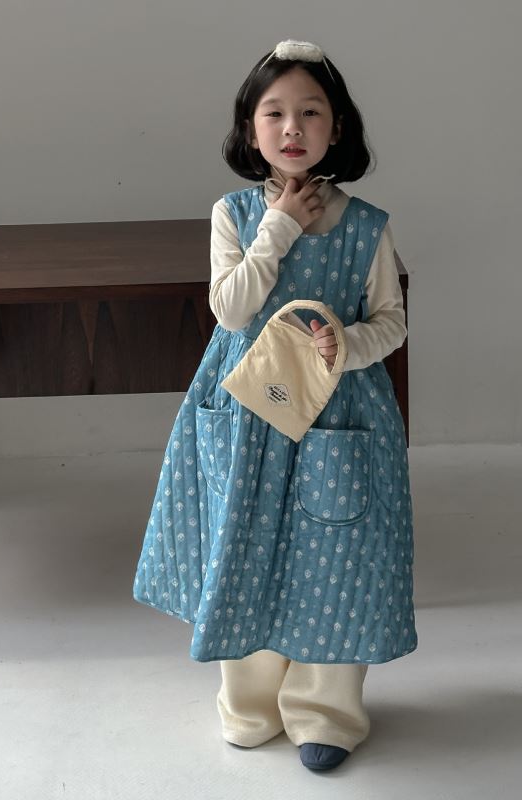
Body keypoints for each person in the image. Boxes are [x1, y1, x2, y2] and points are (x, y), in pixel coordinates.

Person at [132, 39, 416, 773]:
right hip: (248, 413)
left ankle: (326, 711)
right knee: (245, 544)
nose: (293, 128)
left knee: (335, 558)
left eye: (311, 112)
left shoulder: (367, 225)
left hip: (338, 416)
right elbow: (231, 311)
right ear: (249, 128)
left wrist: (346, 344)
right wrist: (279, 226)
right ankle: (251, 705)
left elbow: (392, 321)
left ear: (337, 128)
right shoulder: (233, 215)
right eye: (275, 113)